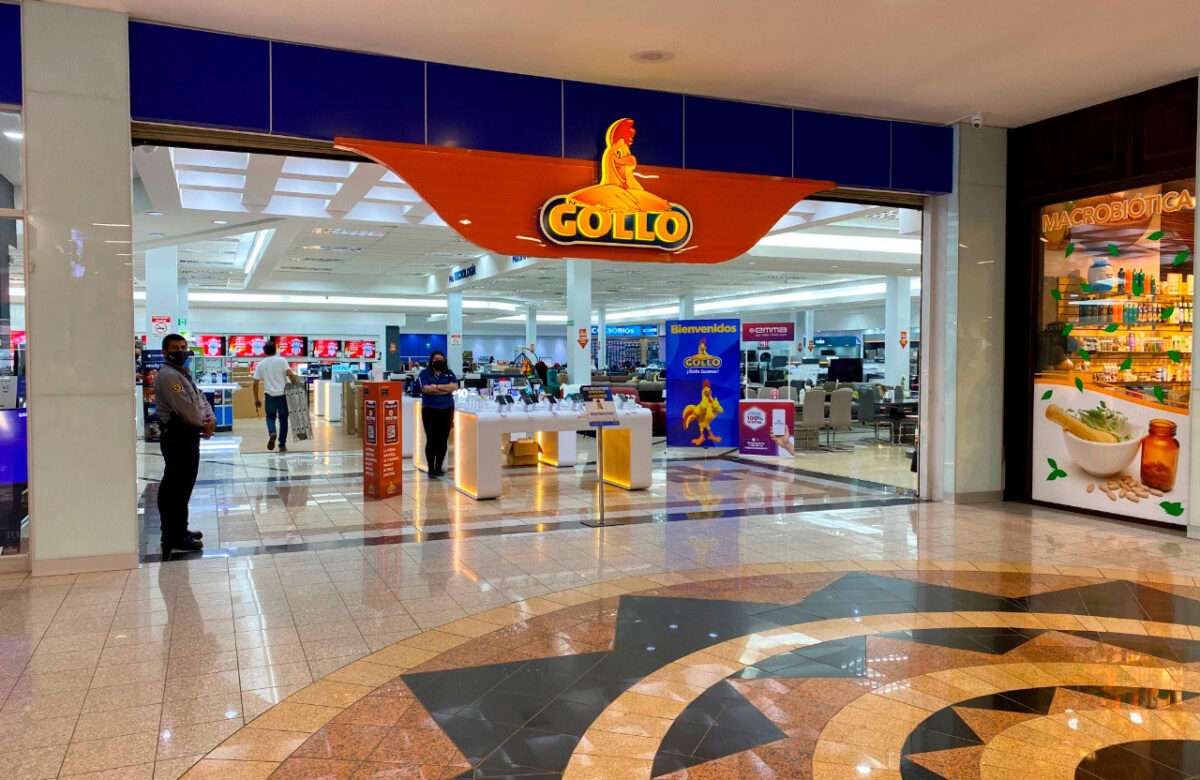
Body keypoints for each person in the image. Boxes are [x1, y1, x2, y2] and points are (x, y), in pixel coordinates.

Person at [154, 334, 214, 553]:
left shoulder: (182, 374)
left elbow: (200, 399)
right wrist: (205, 421)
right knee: (176, 487)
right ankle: (173, 535)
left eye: (183, 347)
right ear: (165, 352)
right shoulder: (170, 377)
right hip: (177, 437)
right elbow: (187, 409)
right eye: (175, 348)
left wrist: (210, 417)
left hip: (187, 435)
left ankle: (180, 529)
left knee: (184, 485)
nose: (180, 351)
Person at [417, 350, 457, 477]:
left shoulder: (449, 373)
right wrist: (446, 389)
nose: (439, 361)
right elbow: (426, 389)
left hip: (447, 410)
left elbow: (454, 387)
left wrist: (437, 387)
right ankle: (431, 468)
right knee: (432, 440)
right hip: (430, 410)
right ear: (431, 361)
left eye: (441, 359)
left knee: (443, 440)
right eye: (436, 359)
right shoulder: (424, 373)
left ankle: (438, 467)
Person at [253, 340, 298, 452]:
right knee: (283, 420)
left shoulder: (261, 364)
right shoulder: (282, 360)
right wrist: (294, 385)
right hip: (282, 395)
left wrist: (256, 399)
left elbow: (255, 383)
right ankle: (282, 445)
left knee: (270, 417)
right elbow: (290, 374)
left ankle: (272, 432)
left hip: (269, 395)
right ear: (276, 350)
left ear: (264, 352)